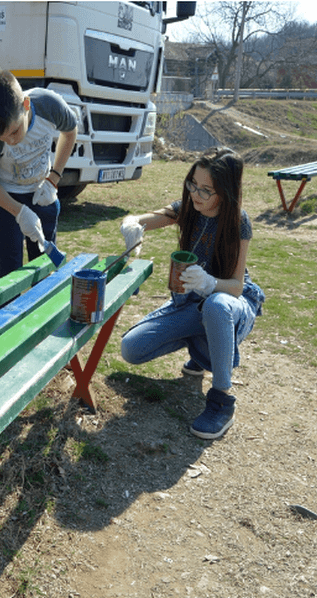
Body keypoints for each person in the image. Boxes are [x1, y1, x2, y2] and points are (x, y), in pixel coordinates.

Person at [119, 148, 265, 440]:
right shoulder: (189, 208)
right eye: (192, 184)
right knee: (131, 349)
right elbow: (149, 218)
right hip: (191, 303)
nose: (196, 194)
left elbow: (235, 286)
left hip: (230, 302)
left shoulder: (238, 221)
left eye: (205, 190)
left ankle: (222, 401)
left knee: (216, 305)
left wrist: (210, 282)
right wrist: (133, 223)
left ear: (225, 192)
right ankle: (199, 348)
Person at [0, 68, 77, 281]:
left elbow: (70, 131)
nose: (11, 141)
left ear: (26, 105)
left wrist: (53, 179)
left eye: (14, 131)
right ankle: (8, 313)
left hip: (42, 191)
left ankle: (44, 313)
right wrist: (19, 212)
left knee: (45, 264)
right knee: (9, 269)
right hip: (5, 197)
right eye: (3, 138)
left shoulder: (49, 105)